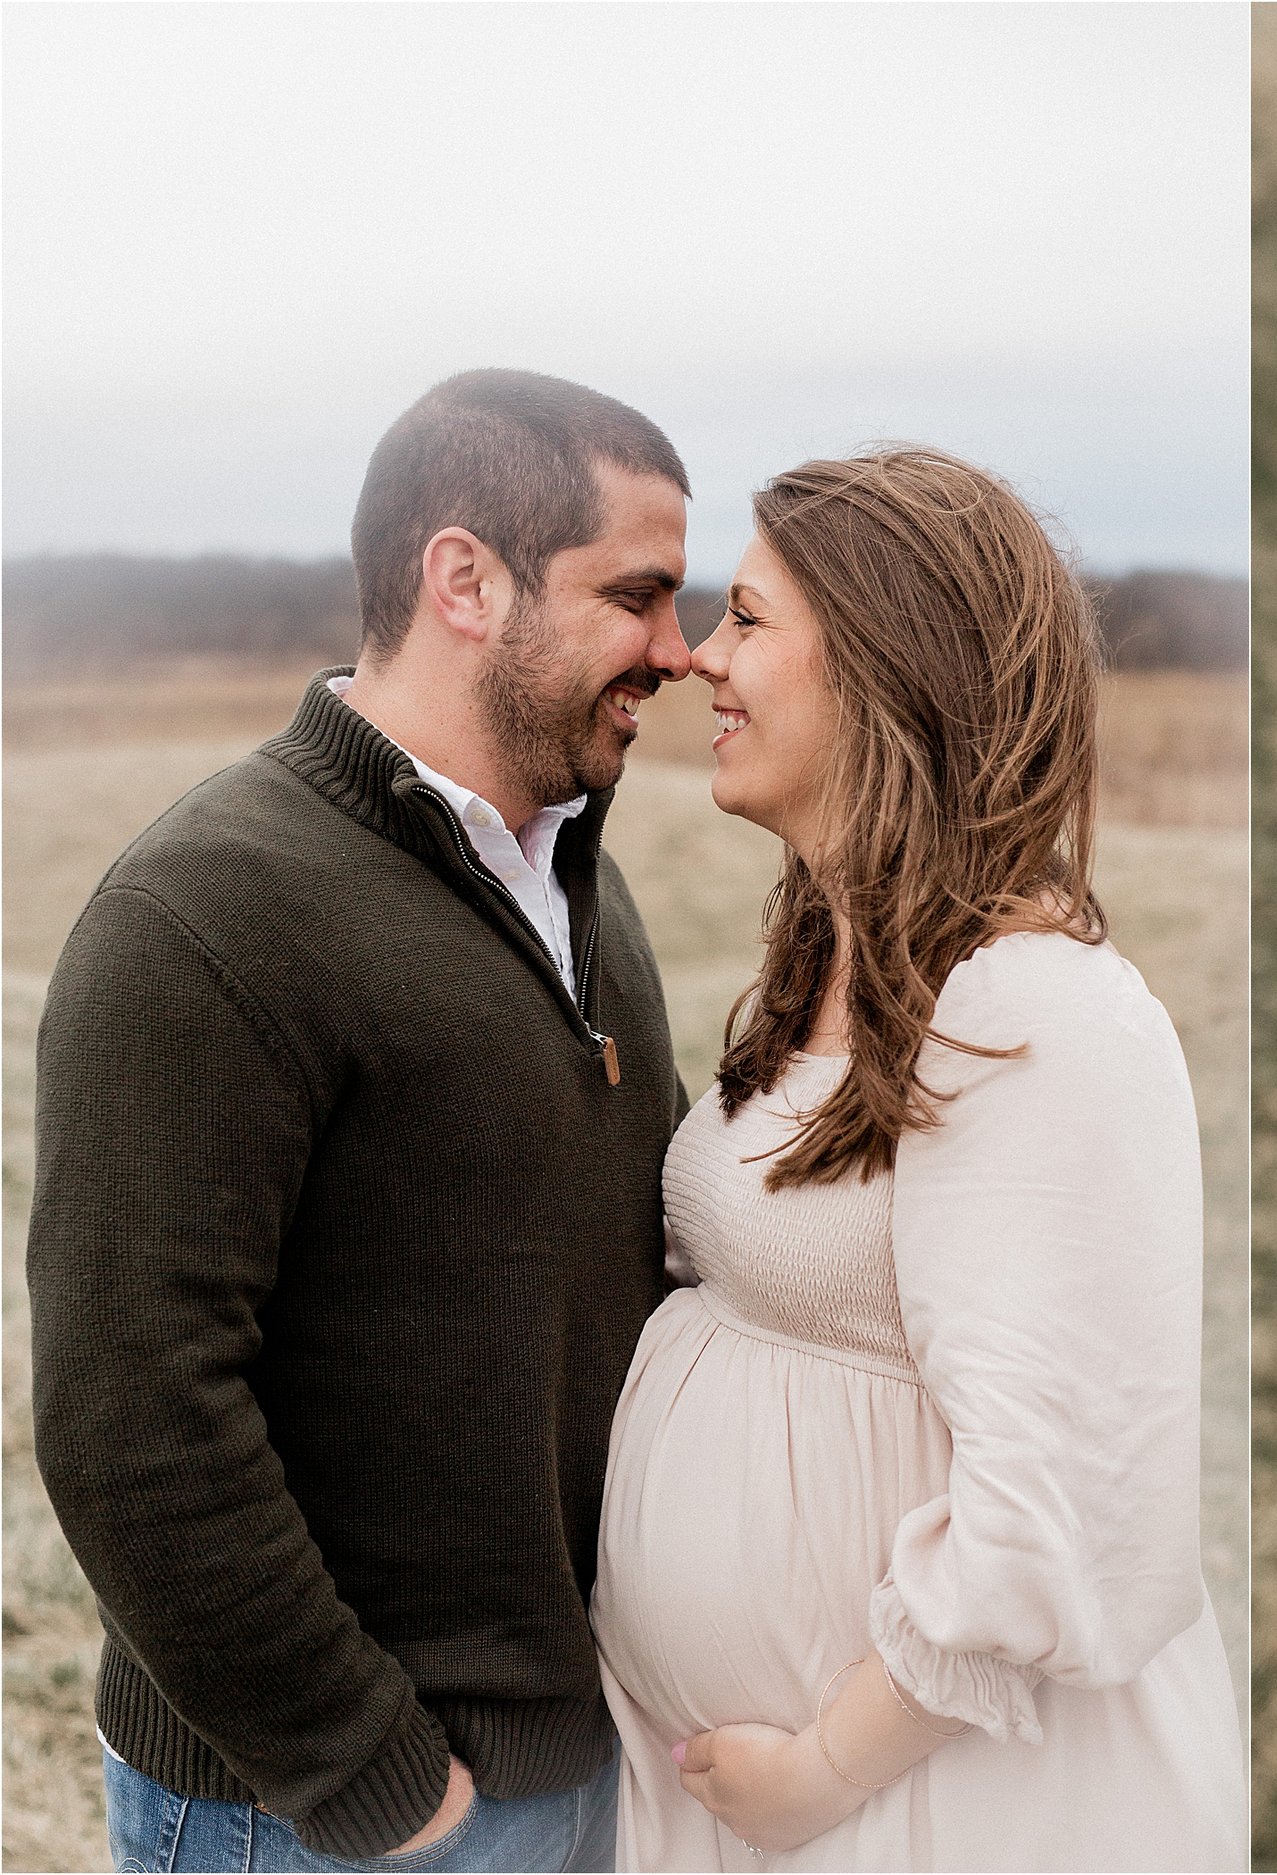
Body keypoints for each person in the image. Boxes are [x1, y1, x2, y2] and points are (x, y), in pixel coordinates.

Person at [29, 367, 697, 1872]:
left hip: (582, 1761)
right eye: (639, 595)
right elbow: (132, 1415)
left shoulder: (568, 872)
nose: (681, 648)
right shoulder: (203, 913)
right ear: (465, 578)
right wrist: (380, 1782)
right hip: (335, 1816)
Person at [590, 448, 1246, 1871]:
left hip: (939, 1815)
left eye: (750, 620)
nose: (701, 656)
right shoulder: (835, 956)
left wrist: (829, 1767)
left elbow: (1067, 1500)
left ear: (888, 664)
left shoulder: (1032, 1009)